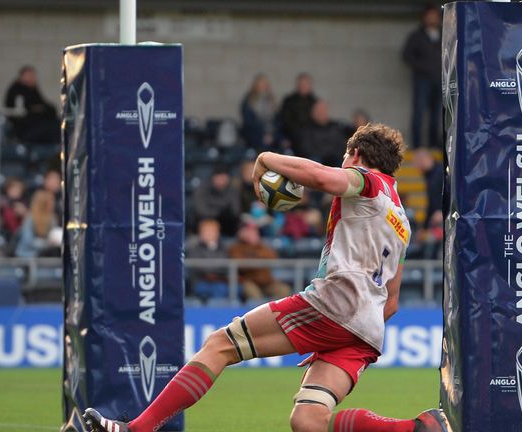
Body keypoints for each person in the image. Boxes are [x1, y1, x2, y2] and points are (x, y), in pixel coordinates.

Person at [84, 123, 450, 432]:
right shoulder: (401, 219)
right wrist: (339, 333)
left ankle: (136, 429)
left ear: (355, 155)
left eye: (345, 159)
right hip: (365, 328)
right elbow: (394, 300)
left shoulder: (367, 181)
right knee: (308, 420)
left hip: (336, 304)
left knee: (220, 345)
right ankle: (416, 427)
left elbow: (324, 178)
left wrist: (266, 159)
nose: (343, 165)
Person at [402, 5, 443, 148]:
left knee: (437, 114)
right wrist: (423, 68)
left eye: (434, 16)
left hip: (439, 80)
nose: (432, 19)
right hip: (423, 80)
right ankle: (417, 145)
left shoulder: (444, 34)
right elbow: (407, 55)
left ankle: (433, 145)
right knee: (419, 112)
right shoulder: (417, 36)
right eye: (429, 16)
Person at [228, 222, 291, 300]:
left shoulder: (262, 246)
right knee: (254, 294)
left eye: (254, 232)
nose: (253, 234)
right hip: (249, 281)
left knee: (283, 290)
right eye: (249, 232)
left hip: (267, 282)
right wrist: (258, 262)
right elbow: (242, 265)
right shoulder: (236, 248)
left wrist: (254, 258)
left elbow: (272, 257)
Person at [4, 65, 60, 143]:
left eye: (33, 76)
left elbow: (46, 107)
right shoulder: (16, 90)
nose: (33, 78)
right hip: (25, 130)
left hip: (38, 126)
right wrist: (40, 110)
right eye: (30, 75)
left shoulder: (33, 89)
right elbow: (27, 110)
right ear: (22, 76)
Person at [187, 219, 229, 300]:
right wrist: (211, 272)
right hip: (199, 281)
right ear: (200, 233)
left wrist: (214, 273)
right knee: (211, 289)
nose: (209, 234)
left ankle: (218, 312)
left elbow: (225, 265)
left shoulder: (223, 248)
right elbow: (197, 266)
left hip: (219, 280)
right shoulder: (194, 248)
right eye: (206, 231)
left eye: (212, 231)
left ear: (218, 233)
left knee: (222, 289)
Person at [193, 165, 241, 236]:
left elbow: (236, 211)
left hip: (228, 226)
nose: (220, 181)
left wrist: (222, 214)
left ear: (228, 178)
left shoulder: (233, 191)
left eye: (223, 178)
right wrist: (220, 213)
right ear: (213, 178)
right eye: (218, 178)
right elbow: (201, 212)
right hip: (207, 224)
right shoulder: (202, 190)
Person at [297, 100, 347, 167]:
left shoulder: (335, 127)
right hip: (317, 161)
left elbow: (342, 146)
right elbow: (306, 149)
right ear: (312, 112)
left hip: (334, 160)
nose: (321, 113)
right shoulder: (306, 129)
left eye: (323, 110)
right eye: (318, 110)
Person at [15, 190, 60, 258]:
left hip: (45, 255)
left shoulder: (52, 218)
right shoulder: (30, 218)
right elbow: (28, 241)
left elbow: (54, 235)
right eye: (50, 202)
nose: (53, 204)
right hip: (26, 255)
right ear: (43, 204)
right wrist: (46, 243)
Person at [278, 73, 318, 148]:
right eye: (301, 84)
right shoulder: (289, 101)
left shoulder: (315, 102)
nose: (303, 86)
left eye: (306, 84)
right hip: (292, 136)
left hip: (311, 137)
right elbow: (285, 121)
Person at [241, 74, 277, 149]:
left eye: (264, 85)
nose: (262, 87)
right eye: (260, 85)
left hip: (271, 132)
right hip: (254, 133)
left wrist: (271, 134)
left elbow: (276, 119)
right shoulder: (249, 100)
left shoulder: (271, 100)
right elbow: (249, 121)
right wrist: (263, 134)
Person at [0, 177, 28, 241]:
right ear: (7, 190)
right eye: (13, 189)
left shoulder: (24, 203)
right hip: (7, 236)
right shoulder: (3, 203)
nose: (15, 191)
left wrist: (25, 213)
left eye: (18, 189)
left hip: (22, 235)